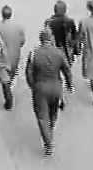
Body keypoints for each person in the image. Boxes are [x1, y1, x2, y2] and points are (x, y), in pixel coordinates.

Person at [25, 29, 73, 157]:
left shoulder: (34, 53)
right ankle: (51, 126)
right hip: (56, 87)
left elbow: (28, 72)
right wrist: (69, 84)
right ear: (51, 38)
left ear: (41, 39)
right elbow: (67, 70)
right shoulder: (59, 53)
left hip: (40, 88)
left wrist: (33, 86)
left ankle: (48, 143)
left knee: (42, 117)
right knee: (53, 111)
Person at [0, 5, 26, 110]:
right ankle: (10, 87)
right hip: (15, 57)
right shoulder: (19, 27)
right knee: (11, 75)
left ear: (2, 15)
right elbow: (22, 41)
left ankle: (9, 101)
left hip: (2, 59)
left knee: (4, 81)